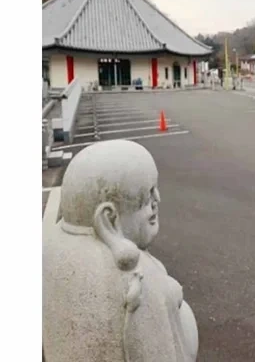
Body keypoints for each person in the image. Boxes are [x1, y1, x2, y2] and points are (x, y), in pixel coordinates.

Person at [43, 140, 198, 361]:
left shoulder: (53, 248)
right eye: (146, 195)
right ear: (108, 219)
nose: (157, 200)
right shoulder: (136, 284)